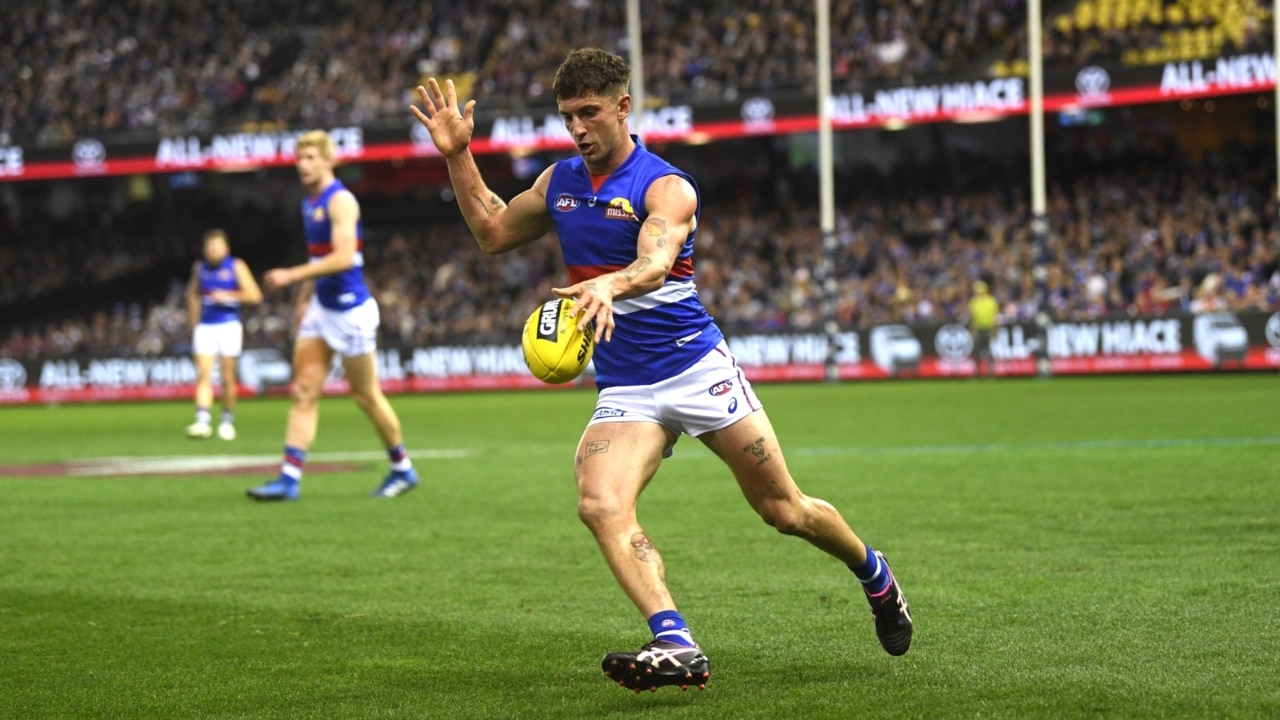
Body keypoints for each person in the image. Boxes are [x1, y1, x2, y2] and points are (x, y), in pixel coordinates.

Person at [411, 49, 912, 692]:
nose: (579, 129)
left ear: (623, 107)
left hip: (696, 368)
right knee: (599, 503)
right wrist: (457, 154)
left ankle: (875, 574)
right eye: (568, 117)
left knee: (785, 510)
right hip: (627, 386)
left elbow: (654, 260)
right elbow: (491, 232)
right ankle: (674, 639)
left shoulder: (665, 186)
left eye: (590, 113)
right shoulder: (558, 183)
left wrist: (608, 286)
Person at [245, 130, 417, 501]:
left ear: (328, 160)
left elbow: (341, 258)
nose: (303, 166)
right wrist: (304, 299)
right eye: (299, 160)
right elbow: (318, 258)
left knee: (365, 396)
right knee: (304, 390)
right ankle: (288, 480)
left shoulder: (340, 201)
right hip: (321, 309)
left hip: (350, 312)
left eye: (310, 158)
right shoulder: (309, 202)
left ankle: (403, 467)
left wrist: (292, 277)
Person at [185, 228, 263, 440]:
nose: (213, 251)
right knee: (203, 373)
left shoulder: (236, 266)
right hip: (205, 326)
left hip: (229, 326)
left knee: (228, 377)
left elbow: (255, 295)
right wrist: (193, 323)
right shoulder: (199, 268)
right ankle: (202, 420)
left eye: (217, 247)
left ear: (226, 249)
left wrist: (228, 295)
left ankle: (227, 419)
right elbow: (192, 293)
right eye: (210, 247)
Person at [969, 279, 999, 378]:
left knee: (988, 351)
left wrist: (994, 330)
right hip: (979, 328)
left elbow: (994, 317)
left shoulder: (990, 301)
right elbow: (973, 317)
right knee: (977, 351)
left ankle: (991, 372)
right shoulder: (975, 301)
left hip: (987, 328)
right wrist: (973, 330)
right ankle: (978, 372)